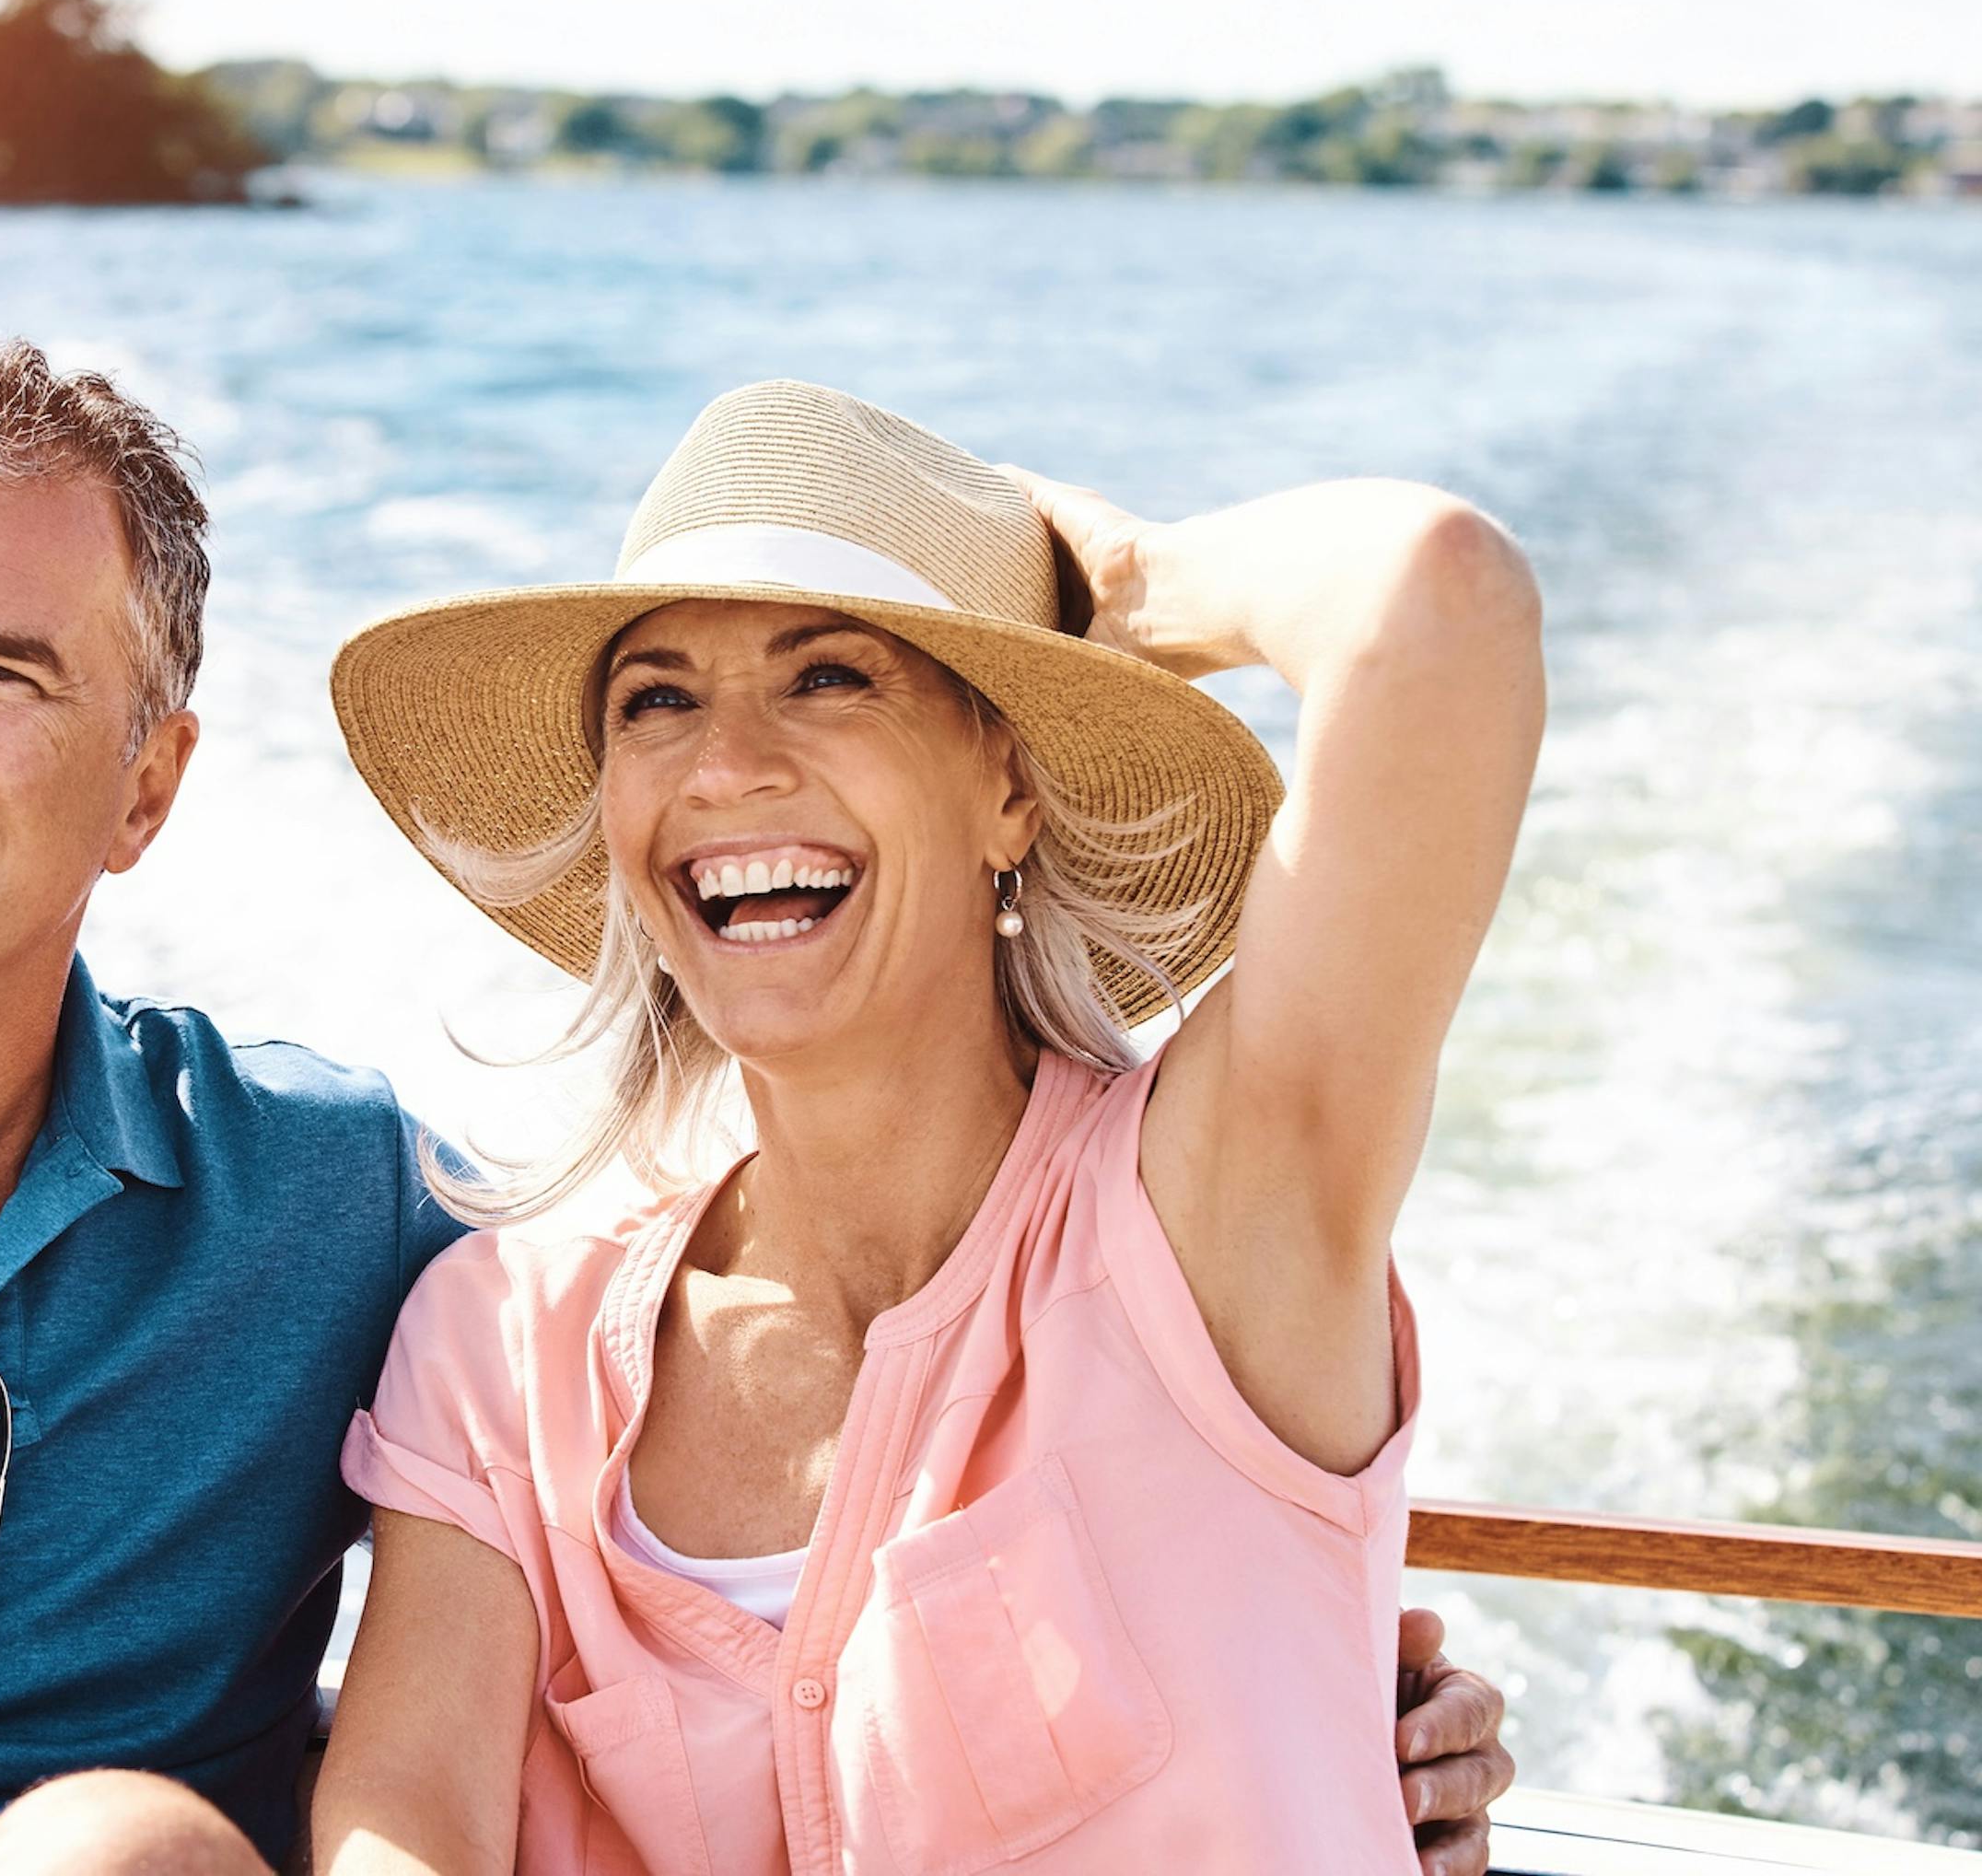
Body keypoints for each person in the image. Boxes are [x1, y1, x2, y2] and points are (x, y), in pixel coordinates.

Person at [0, 344, 1519, 1876]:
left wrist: (1098, 588)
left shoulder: (342, 1212)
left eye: (1, 670)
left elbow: (1434, 603)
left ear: (151, 784)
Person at [310, 381, 1546, 1873]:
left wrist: (1136, 589)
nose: (724, 765)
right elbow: (402, 1831)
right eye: (657, 698)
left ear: (1009, 790)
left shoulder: (1212, 1220)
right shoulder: (503, 1342)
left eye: (830, 678)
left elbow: (1438, 598)